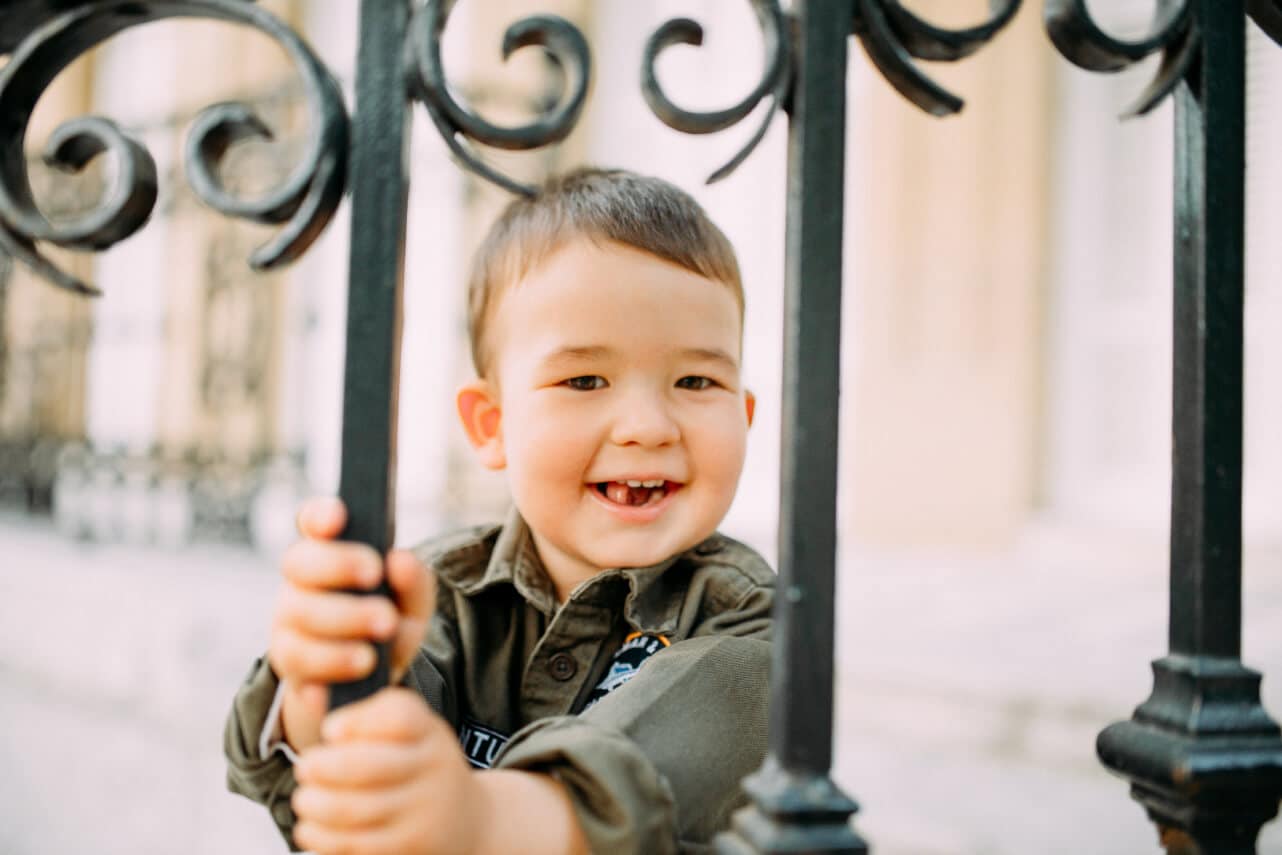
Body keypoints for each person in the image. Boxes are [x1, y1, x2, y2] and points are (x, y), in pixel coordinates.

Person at [224, 167, 774, 855]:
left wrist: (480, 822)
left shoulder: (752, 623)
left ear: (744, 416)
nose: (647, 425)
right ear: (491, 424)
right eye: (584, 379)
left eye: (697, 380)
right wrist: (323, 683)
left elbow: (636, 780)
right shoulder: (440, 587)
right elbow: (336, 762)